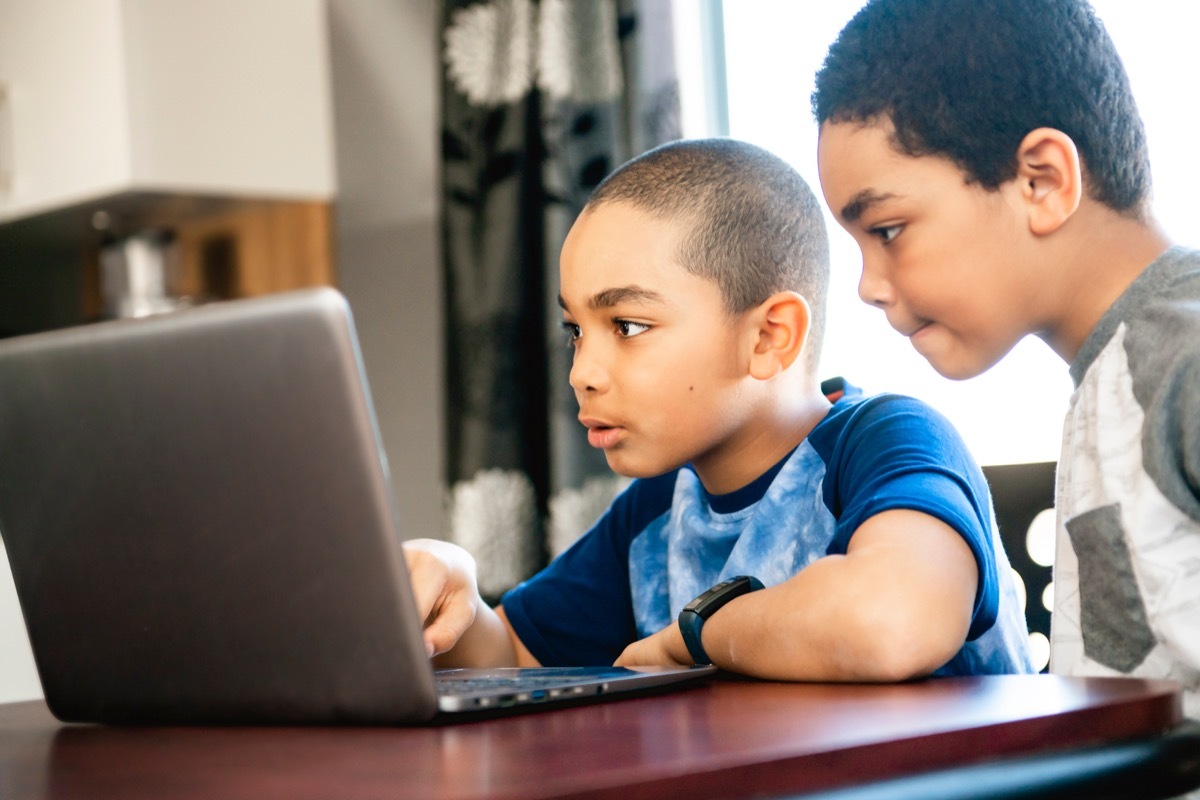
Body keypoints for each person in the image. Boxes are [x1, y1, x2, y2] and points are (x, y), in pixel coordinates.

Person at [405, 137, 1033, 681]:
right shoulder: (657, 508)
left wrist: (693, 635)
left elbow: (893, 618)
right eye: (576, 331)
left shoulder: (888, 441)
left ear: (768, 337)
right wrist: (448, 598)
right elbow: (514, 653)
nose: (582, 373)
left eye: (625, 325)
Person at [812, 0, 1200, 716]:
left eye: (889, 229)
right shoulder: (1114, 371)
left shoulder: (1183, 357)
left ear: (1042, 182)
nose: (866, 285)